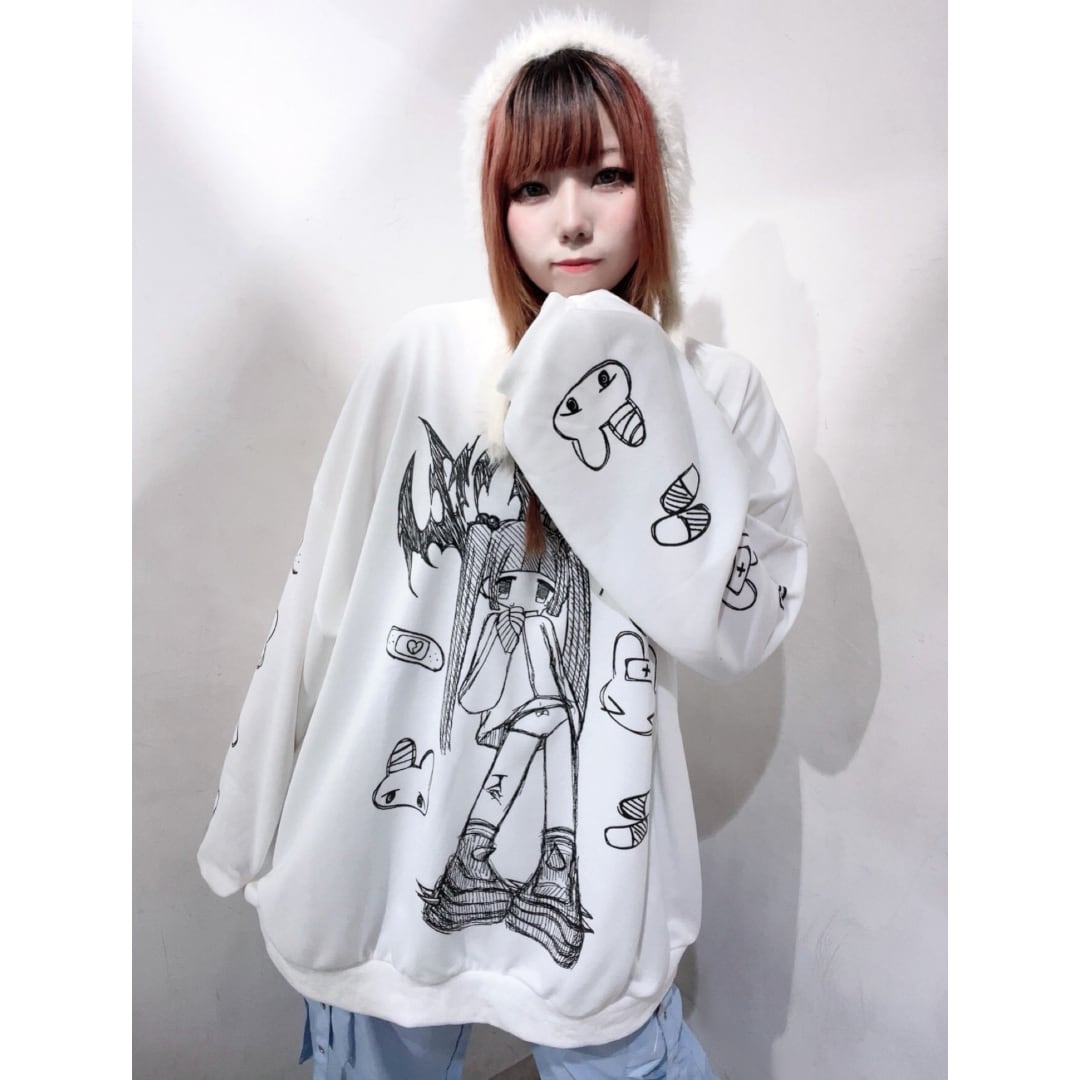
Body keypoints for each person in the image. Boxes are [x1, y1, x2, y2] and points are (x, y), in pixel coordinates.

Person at [197, 11, 808, 1079]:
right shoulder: (424, 357)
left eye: (607, 176)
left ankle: (534, 866)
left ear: (657, 186)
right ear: (497, 205)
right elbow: (319, 597)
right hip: (378, 861)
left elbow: (740, 625)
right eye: (532, 187)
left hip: (601, 889)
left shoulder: (711, 394)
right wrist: (248, 818)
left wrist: (642, 397)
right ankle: (476, 859)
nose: (570, 220)